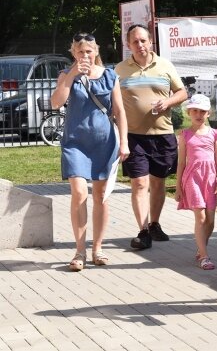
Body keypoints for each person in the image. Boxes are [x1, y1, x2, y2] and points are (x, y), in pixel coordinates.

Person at [50, 33, 129, 271]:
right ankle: (79, 251)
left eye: (89, 51)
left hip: (104, 142)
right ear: (73, 53)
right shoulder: (66, 75)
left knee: (101, 196)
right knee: (79, 192)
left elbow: (119, 111)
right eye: (80, 52)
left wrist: (124, 142)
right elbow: (56, 102)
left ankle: (98, 248)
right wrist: (73, 73)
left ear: (96, 52)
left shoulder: (109, 76)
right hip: (75, 142)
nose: (85, 55)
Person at [115, 23, 188, 250]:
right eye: (135, 41)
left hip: (162, 134)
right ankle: (143, 230)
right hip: (133, 136)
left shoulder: (164, 65)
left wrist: (167, 102)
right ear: (128, 45)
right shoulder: (120, 69)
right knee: (139, 183)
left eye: (143, 41)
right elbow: (112, 101)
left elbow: (182, 92)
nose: (140, 45)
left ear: (150, 42)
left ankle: (155, 223)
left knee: (158, 183)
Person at [174, 94, 217, 270]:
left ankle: (201, 245)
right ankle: (204, 256)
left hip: (210, 178)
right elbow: (181, 162)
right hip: (192, 178)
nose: (198, 114)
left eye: (202, 111)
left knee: (210, 219)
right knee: (201, 217)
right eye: (194, 110)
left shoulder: (214, 134)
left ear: (208, 114)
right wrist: (178, 186)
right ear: (189, 112)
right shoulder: (185, 135)